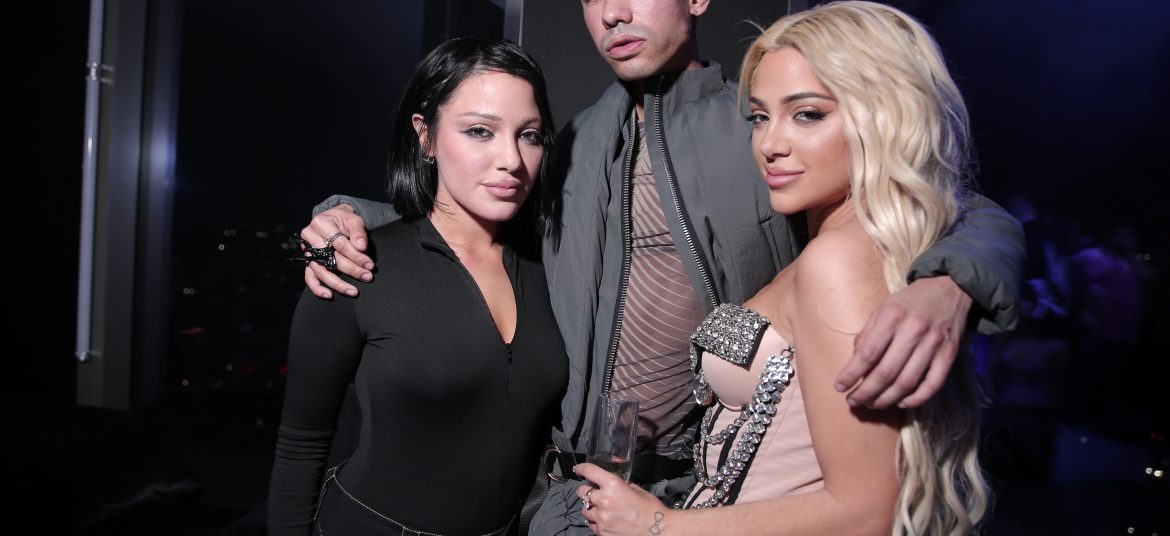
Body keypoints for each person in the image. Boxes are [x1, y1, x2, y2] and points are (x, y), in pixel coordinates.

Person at [297, 0, 1023, 533]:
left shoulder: (760, 127)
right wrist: (348, 215)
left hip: (707, 498)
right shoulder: (572, 143)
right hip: (567, 497)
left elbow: (947, 201)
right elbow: (471, 214)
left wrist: (950, 283)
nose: (612, 13)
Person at [575, 3, 990, 534]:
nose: (770, 144)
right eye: (760, 117)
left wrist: (657, 524)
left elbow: (867, 512)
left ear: (883, 117)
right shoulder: (834, 242)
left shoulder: (839, 261)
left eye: (808, 114)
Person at [267, 37, 568, 535]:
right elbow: (300, 444)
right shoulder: (356, 265)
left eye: (529, 135)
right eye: (479, 131)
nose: (511, 160)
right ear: (425, 136)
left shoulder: (553, 271)